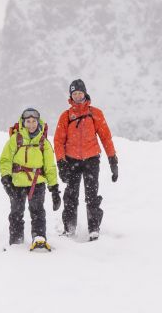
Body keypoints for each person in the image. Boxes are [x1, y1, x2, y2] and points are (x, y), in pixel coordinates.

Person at [54, 79, 118, 241]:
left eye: (79, 93)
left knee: (91, 195)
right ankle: (69, 227)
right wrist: (61, 162)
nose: (77, 96)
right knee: (71, 195)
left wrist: (113, 160)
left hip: (91, 160)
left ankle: (94, 228)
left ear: (85, 93)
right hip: (71, 160)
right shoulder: (66, 116)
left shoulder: (95, 113)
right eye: (74, 94)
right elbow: (58, 141)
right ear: (71, 96)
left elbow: (106, 137)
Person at [0, 108, 61, 250]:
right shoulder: (16, 139)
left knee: (38, 210)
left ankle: (39, 237)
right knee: (16, 211)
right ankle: (16, 240)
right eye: (28, 121)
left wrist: (54, 189)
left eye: (34, 121)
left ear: (38, 123)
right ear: (23, 122)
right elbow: (5, 160)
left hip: (37, 182)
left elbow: (50, 166)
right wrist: (6, 178)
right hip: (17, 182)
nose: (31, 124)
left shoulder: (43, 142)